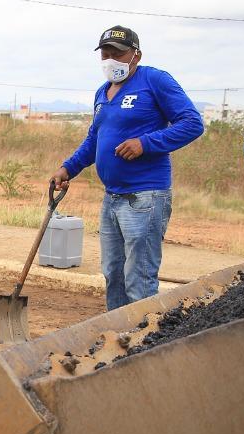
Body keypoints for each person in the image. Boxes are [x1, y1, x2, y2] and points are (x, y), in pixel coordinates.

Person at [50, 26, 204, 310]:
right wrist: (68, 167)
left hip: (144, 197)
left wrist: (145, 143)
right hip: (112, 198)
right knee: (114, 275)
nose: (111, 60)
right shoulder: (103, 92)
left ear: (136, 55)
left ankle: (144, 342)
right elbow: (95, 139)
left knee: (139, 279)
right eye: (105, 54)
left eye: (118, 54)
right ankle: (118, 338)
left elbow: (192, 124)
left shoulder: (155, 80)